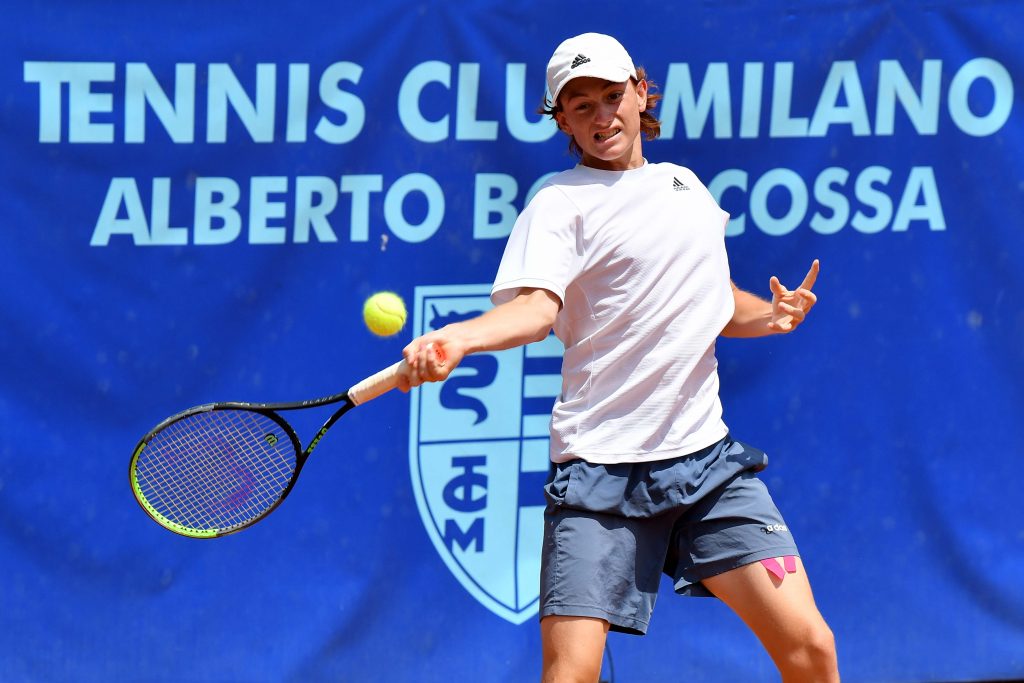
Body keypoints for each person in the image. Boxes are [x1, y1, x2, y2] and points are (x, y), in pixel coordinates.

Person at [398, 32, 839, 683]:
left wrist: (769, 317)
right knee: (569, 675)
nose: (602, 116)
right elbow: (534, 310)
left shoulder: (684, 186)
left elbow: (715, 302)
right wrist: (461, 337)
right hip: (599, 474)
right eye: (581, 107)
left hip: (706, 466)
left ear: (640, 90)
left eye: (612, 96)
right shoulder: (557, 204)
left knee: (811, 647)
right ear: (562, 121)